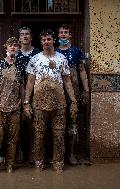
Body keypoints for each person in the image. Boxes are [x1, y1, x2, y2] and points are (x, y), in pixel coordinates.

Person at [23, 29, 77, 173]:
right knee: (39, 135)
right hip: (39, 104)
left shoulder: (61, 58)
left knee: (59, 135)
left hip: (59, 103)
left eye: (49, 39)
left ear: (54, 40)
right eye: (44, 40)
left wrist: (73, 101)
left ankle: (58, 163)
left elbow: (67, 81)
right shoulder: (35, 59)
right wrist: (26, 103)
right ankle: (39, 163)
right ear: (41, 42)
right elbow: (29, 82)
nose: (46, 42)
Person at [0, 37, 25, 175]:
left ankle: (10, 164)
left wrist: (25, 105)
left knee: (12, 140)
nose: (13, 47)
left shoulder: (21, 66)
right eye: (10, 45)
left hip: (15, 109)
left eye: (15, 45)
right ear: (5, 47)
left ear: (18, 48)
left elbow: (22, 88)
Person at [56, 24, 90, 165]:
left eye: (66, 32)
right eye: (61, 32)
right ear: (58, 36)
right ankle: (59, 155)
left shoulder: (77, 51)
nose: (63, 35)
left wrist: (86, 90)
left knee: (73, 124)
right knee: (58, 124)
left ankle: (71, 153)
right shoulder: (54, 52)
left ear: (70, 35)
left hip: (74, 93)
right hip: (57, 93)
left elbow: (82, 71)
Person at [16, 27, 40, 163]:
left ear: (31, 38)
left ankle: (33, 152)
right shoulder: (15, 53)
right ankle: (18, 151)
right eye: (22, 34)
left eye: (27, 34)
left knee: (33, 124)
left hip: (34, 93)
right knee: (18, 123)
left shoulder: (37, 53)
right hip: (17, 93)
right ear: (19, 38)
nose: (24, 36)